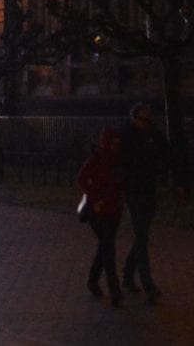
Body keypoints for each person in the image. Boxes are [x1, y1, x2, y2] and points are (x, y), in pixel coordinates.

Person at [120, 102, 171, 303]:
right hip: (133, 191)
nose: (148, 123)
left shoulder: (153, 134)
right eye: (144, 119)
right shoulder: (127, 136)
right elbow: (128, 161)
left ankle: (127, 275)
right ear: (134, 119)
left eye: (149, 119)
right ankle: (147, 283)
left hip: (149, 189)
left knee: (142, 235)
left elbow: (166, 152)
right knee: (141, 235)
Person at [77, 127, 125, 307]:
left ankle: (93, 280)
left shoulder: (117, 160)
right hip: (98, 211)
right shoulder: (97, 160)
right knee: (108, 248)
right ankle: (114, 289)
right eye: (113, 143)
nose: (116, 146)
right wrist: (94, 198)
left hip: (114, 209)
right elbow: (81, 179)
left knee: (105, 246)